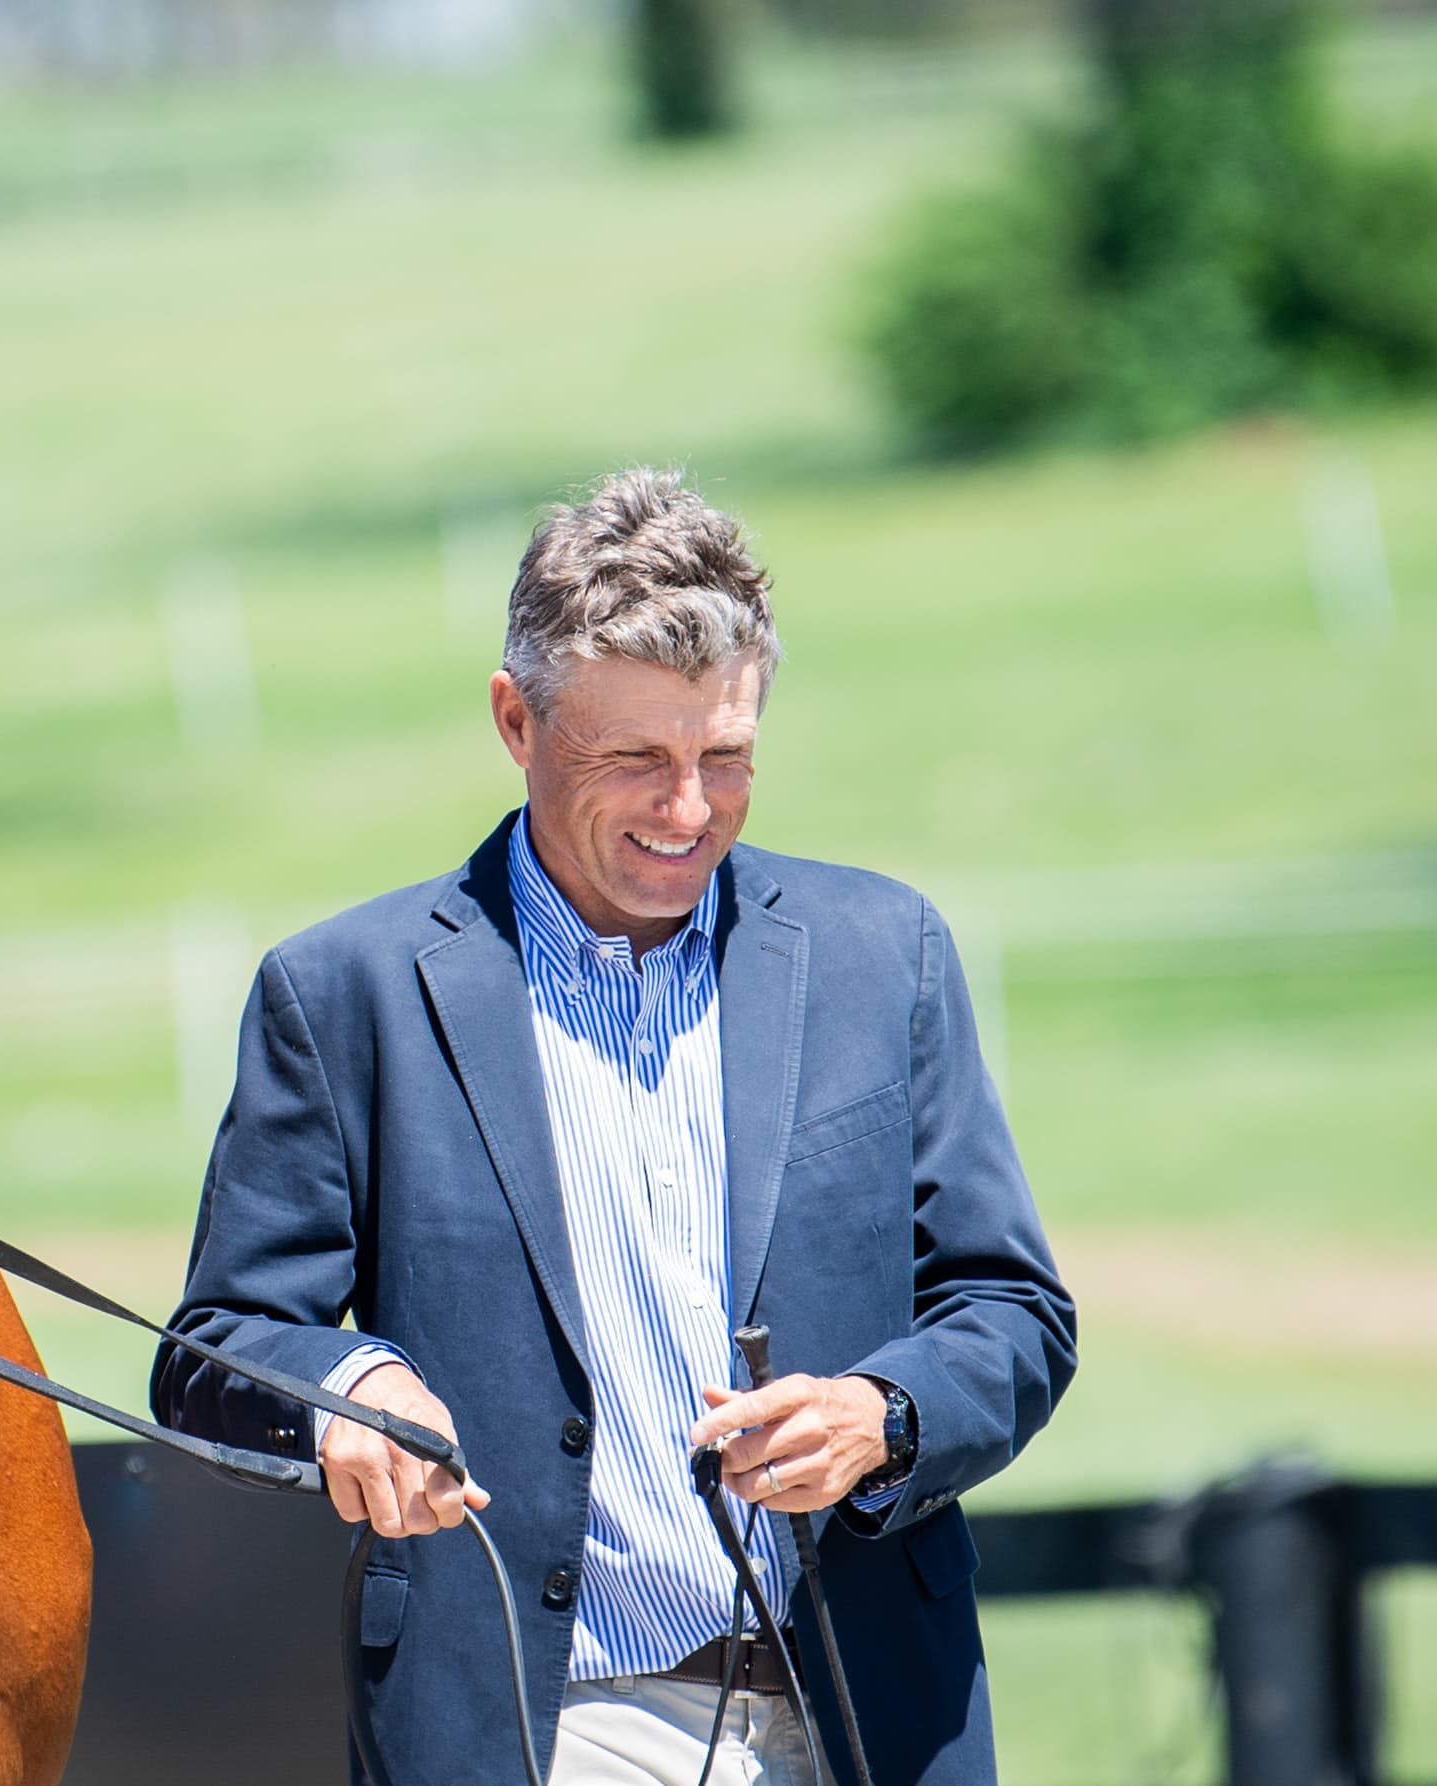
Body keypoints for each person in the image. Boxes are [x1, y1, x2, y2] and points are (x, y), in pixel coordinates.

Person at [152, 469, 1076, 1786]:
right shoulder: (340, 994)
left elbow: (1014, 1312)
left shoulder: (890, 956)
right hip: (538, 1728)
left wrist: (886, 1411)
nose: (688, 809)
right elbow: (214, 1350)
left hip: (871, 1716)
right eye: (636, 758)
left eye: (727, 757)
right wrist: (350, 1393)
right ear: (515, 720)